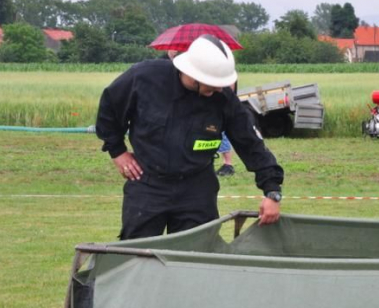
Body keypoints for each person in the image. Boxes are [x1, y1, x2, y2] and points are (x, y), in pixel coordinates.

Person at [96, 34, 284, 240]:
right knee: (137, 257)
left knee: (197, 255)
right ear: (194, 75)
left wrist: (272, 190)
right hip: (148, 184)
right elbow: (109, 110)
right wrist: (117, 151)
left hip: (197, 188)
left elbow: (250, 143)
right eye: (213, 84)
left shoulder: (222, 98)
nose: (219, 89)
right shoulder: (144, 77)